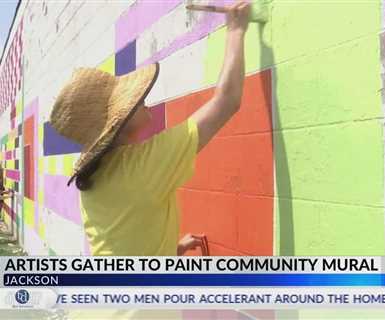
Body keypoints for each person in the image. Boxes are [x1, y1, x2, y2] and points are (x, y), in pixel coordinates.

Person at [49, 1, 250, 256]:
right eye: (133, 101)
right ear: (117, 126)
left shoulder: (94, 177)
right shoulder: (142, 166)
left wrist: (170, 250)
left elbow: (124, 241)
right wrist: (235, 31)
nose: (142, 99)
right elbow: (227, 101)